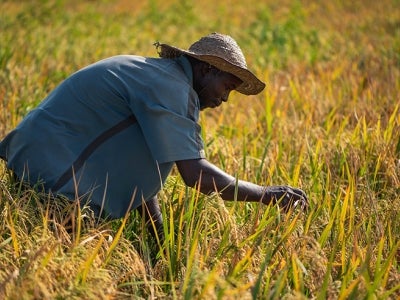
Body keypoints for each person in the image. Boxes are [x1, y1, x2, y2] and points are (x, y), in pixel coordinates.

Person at [0, 33, 308, 242]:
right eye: (227, 86)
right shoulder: (172, 88)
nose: (225, 99)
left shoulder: (157, 77)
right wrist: (267, 194)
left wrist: (159, 240)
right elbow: (196, 175)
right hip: (49, 182)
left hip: (30, 164)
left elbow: (138, 167)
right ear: (204, 70)